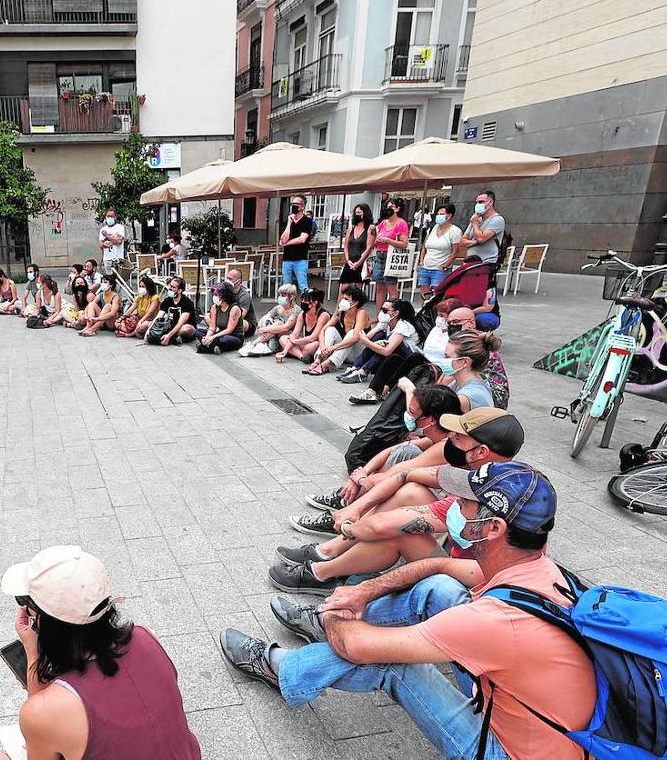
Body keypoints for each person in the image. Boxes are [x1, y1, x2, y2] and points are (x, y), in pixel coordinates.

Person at [221, 463, 596, 760]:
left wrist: (339, 609)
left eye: (464, 504)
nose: (453, 507)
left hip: (506, 749)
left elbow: (358, 649)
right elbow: (440, 568)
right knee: (438, 590)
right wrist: (365, 590)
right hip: (523, 705)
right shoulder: (543, 571)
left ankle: (286, 666)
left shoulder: (498, 621)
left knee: (391, 661)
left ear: (493, 527)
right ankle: (320, 624)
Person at [0, 545, 200, 760]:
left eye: (25, 602)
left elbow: (40, 718)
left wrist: (33, 655)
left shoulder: (44, 711)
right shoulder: (146, 636)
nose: (24, 609)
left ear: (45, 622)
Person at [279, 407, 525, 592]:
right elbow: (406, 474)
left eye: (459, 436)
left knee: (396, 533)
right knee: (409, 492)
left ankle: (323, 573)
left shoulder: (486, 496)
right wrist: (356, 507)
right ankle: (329, 557)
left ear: (480, 451)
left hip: (475, 587)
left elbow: (381, 526)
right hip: (466, 563)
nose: (450, 437)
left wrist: (348, 525)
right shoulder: (489, 475)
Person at [347, 299, 427, 403]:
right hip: (398, 358)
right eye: (381, 309)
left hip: (413, 361)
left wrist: (369, 343)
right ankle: (369, 387)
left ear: (396, 313)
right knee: (380, 338)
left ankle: (364, 373)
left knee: (389, 349)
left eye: (385, 310)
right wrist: (374, 343)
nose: (382, 313)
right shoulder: (387, 322)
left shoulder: (404, 325)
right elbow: (366, 338)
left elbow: (386, 351)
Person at [306, 285, 371, 375]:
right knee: (330, 329)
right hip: (343, 353)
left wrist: (333, 348)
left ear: (355, 302)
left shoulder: (361, 312)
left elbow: (356, 338)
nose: (342, 301)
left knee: (352, 333)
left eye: (346, 299)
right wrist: (323, 348)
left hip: (358, 353)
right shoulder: (340, 312)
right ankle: (318, 360)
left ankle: (327, 364)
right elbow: (322, 331)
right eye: (343, 298)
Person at [240, 284, 300, 357]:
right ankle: (261, 344)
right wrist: (263, 325)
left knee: (279, 323)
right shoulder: (278, 308)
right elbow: (265, 317)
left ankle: (254, 344)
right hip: (272, 335)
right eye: (280, 295)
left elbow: (286, 327)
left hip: (287, 338)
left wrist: (265, 329)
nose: (280, 297)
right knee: (270, 321)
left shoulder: (296, 310)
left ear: (291, 297)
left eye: (283, 296)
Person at [370, 197, 410, 308]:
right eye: (388, 206)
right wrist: (375, 236)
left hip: (391, 256)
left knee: (391, 287)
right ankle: (379, 316)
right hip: (380, 254)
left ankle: (393, 314)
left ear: (397, 209)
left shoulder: (401, 223)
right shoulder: (383, 222)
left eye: (392, 206)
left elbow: (404, 243)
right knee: (379, 287)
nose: (389, 208)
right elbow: (375, 237)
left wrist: (387, 241)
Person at [417, 204, 462, 296]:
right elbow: (424, 246)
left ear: (449, 216)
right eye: (438, 214)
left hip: (440, 269)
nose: (439, 216)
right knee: (424, 295)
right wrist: (421, 261)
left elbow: (455, 251)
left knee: (437, 296)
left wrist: (445, 266)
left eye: (442, 214)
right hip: (426, 267)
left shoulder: (455, 231)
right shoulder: (432, 228)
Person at [276, 288, 329, 364]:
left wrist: (295, 341)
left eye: (305, 301)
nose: (303, 302)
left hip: (316, 343)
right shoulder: (302, 314)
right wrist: (285, 350)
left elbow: (313, 337)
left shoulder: (323, 315)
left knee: (315, 345)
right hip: (304, 342)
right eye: (302, 300)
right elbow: (295, 334)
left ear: (314, 303)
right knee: (283, 339)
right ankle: (301, 357)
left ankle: (293, 352)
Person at [458, 190, 506, 264]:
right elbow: (462, 241)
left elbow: (481, 238)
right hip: (469, 263)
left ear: (490, 202)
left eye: (481, 202)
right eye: (476, 202)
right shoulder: (476, 218)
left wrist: (474, 224)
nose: (477, 205)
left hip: (486, 263)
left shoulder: (497, 219)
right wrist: (475, 242)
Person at [279, 194, 315, 291]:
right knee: (286, 288)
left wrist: (287, 243)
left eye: (296, 204)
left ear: (302, 207)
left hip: (300, 259)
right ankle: (288, 305)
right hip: (287, 259)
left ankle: (306, 305)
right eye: (292, 204)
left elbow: (302, 239)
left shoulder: (307, 221)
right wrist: (289, 223)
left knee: (303, 286)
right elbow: (283, 239)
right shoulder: (288, 220)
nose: (294, 206)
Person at [196, 281, 245, 354]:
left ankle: (209, 345)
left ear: (224, 296)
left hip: (233, 336)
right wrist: (207, 337)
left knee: (223, 339)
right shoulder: (214, 307)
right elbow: (212, 327)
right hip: (219, 333)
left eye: (216, 295)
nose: (214, 297)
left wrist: (212, 337)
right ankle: (211, 345)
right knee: (197, 331)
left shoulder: (234, 308)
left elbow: (229, 330)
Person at [147, 276, 197, 345]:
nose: (170, 289)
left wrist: (168, 336)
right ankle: (174, 338)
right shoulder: (167, 300)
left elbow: (180, 323)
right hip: (170, 325)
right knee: (149, 324)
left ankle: (173, 337)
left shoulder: (187, 303)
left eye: (173, 287)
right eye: (170, 286)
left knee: (185, 329)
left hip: (184, 326)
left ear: (179, 290)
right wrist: (149, 330)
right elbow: (158, 317)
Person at [338, 204, 376, 292]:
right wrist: (348, 260)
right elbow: (346, 246)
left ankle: (357, 305)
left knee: (358, 290)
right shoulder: (351, 227)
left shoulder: (371, 228)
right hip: (350, 261)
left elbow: (369, 247)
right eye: (355, 213)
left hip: (362, 261)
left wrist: (359, 263)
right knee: (344, 288)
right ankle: (340, 305)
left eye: (359, 212)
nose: (357, 214)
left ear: (365, 213)